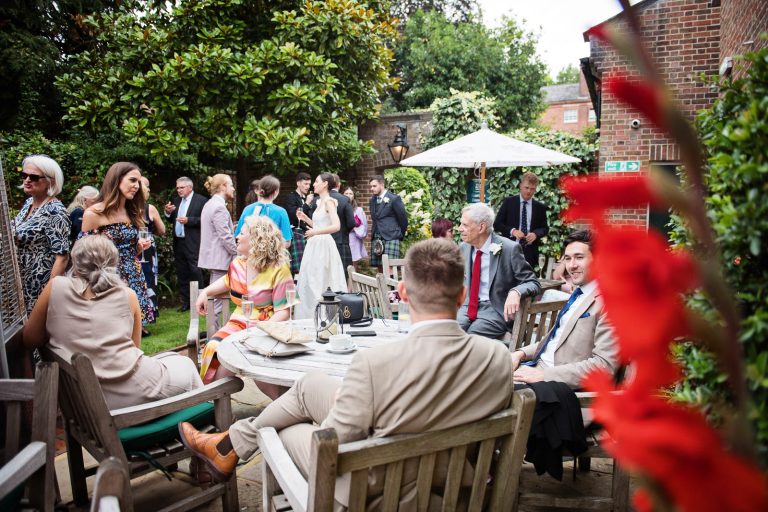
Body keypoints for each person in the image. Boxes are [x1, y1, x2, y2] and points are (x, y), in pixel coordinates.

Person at [177, 238, 519, 510]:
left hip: (377, 491)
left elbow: (334, 444)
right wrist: (358, 401)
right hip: (454, 482)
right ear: (462, 295)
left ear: (402, 294)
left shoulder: (374, 365)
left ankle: (231, 445)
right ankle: (227, 445)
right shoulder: (498, 359)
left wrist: (354, 403)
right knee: (308, 386)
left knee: (286, 428)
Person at [23, 235, 203, 409]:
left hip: (87, 401)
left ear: (76, 265)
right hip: (135, 393)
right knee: (186, 365)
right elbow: (135, 348)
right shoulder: (127, 295)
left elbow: (30, 339)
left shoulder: (56, 286)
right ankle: (200, 426)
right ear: (113, 264)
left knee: (173, 360)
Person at [513, 230, 619, 389]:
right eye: (568, 259)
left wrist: (543, 375)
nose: (572, 265)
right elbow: (553, 342)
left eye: (579, 257)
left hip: (557, 387)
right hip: (535, 369)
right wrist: (520, 353)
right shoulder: (579, 294)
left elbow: (604, 366)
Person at [196, 215, 292, 384]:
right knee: (214, 348)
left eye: (242, 233)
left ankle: (288, 405)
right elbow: (226, 281)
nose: (237, 237)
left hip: (266, 327)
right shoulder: (237, 264)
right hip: (238, 324)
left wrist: (261, 331)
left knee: (261, 374)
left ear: (257, 239)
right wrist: (205, 292)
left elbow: (283, 312)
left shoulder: (279, 269)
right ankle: (212, 397)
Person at [81, 162, 155, 325]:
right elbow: (83, 257)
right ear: (116, 180)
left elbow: (131, 251)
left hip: (134, 276)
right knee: (111, 331)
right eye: (132, 180)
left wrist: (140, 246)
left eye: (138, 182)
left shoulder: (133, 212)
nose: (136, 186)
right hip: (108, 279)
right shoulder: (94, 214)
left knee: (134, 331)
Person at [457, 203, 540, 340]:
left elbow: (533, 282)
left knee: (470, 339)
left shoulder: (509, 248)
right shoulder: (464, 248)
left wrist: (516, 291)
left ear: (481, 227)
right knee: (447, 333)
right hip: (467, 307)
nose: (460, 229)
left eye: (465, 225)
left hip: (495, 309)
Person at [14, 155, 71, 314]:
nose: (27, 180)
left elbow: (62, 257)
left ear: (51, 181)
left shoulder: (56, 212)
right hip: (20, 281)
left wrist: (48, 293)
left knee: (36, 334)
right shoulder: (28, 204)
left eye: (33, 177)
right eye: (24, 175)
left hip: (38, 284)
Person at [294, 173, 347, 318]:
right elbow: (320, 224)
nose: (313, 184)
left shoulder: (329, 201)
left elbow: (336, 226)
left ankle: (326, 316)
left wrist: (315, 232)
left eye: (316, 181)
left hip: (323, 245)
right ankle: (310, 316)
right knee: (311, 280)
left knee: (321, 280)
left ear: (324, 184)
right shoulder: (319, 203)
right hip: (315, 244)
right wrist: (305, 219)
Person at [199, 173, 238, 332]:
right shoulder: (219, 207)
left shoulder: (210, 204)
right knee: (215, 305)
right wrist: (239, 254)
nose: (233, 188)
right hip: (220, 260)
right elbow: (225, 237)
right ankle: (213, 339)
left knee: (215, 303)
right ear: (223, 186)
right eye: (231, 185)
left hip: (215, 259)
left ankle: (216, 336)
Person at [164, 176, 207, 312]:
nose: (178, 190)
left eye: (181, 187)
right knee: (182, 272)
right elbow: (172, 219)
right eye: (177, 188)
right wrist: (167, 212)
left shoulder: (201, 200)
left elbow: (205, 220)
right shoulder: (176, 201)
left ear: (190, 187)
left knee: (195, 270)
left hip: (193, 241)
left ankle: (200, 300)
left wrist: (189, 220)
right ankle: (186, 302)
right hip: (178, 241)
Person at [494, 172, 549, 272]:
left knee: (526, 282)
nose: (528, 191)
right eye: (526, 187)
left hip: (530, 252)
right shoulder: (508, 202)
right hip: (509, 249)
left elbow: (545, 228)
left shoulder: (540, 207)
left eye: (532, 189)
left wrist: (535, 234)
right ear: (520, 186)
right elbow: (497, 224)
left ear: (536, 189)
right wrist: (513, 231)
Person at [234, 175, 292, 249]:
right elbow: (287, 242)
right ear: (276, 192)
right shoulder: (281, 212)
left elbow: (238, 235)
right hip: (271, 258)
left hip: (250, 255)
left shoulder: (248, 209)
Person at [139, 177, 166, 331]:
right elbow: (162, 230)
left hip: (134, 248)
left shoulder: (123, 207)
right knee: (147, 281)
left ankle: (140, 321)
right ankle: (143, 320)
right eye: (147, 187)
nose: (149, 190)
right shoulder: (149, 208)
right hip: (147, 248)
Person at [368, 175, 408, 269]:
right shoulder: (372, 200)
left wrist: (398, 235)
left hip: (391, 237)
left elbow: (403, 220)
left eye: (374, 186)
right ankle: (381, 284)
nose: (371, 189)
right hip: (376, 237)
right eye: (371, 186)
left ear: (382, 185)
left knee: (390, 268)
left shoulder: (394, 199)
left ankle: (390, 284)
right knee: (379, 268)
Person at [283, 172, 313, 275]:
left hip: (307, 235)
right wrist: (307, 204)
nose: (308, 186)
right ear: (298, 183)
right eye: (305, 184)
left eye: (309, 184)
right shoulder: (290, 197)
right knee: (297, 267)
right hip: (296, 235)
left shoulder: (306, 198)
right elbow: (294, 216)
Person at [328, 174, 356, 277]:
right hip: (341, 241)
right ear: (338, 185)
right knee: (342, 275)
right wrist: (344, 231)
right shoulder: (344, 199)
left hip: (322, 241)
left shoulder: (316, 200)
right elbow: (351, 223)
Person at [343, 186, 368, 269]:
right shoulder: (339, 207)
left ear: (353, 196)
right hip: (343, 238)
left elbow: (364, 225)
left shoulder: (358, 210)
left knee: (353, 265)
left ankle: (353, 281)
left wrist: (354, 228)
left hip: (354, 238)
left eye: (350, 193)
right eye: (346, 193)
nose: (348, 195)